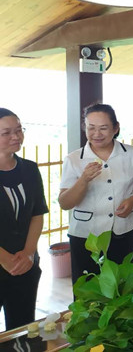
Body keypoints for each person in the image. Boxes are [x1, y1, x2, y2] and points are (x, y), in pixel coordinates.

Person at [59, 103, 133, 285]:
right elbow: (64, 203)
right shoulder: (74, 159)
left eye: (103, 128)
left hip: (123, 230)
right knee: (88, 289)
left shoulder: (131, 154)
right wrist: (83, 179)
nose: (96, 134)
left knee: (123, 286)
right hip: (86, 237)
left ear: (115, 128)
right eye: (91, 128)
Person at [0, 108, 48, 330]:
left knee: (23, 329)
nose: (16, 137)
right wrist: (4, 259)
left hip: (25, 264)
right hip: (6, 261)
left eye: (19, 130)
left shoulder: (29, 169)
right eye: (6, 133)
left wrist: (29, 252)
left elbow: (37, 213)